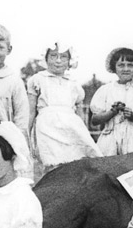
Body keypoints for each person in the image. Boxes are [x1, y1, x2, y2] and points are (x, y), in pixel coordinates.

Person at [27, 41, 102, 172]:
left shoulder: (73, 84)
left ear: (69, 61)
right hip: (47, 126)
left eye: (63, 57)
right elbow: (31, 111)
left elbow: (79, 114)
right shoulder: (37, 80)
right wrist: (26, 134)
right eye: (53, 56)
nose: (58, 61)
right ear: (46, 58)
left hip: (71, 126)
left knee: (76, 163)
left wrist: (83, 133)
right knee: (53, 164)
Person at [90, 47, 133, 156]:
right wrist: (112, 112)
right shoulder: (105, 90)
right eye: (121, 65)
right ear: (114, 67)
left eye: (131, 65)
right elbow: (95, 120)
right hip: (109, 140)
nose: (126, 69)